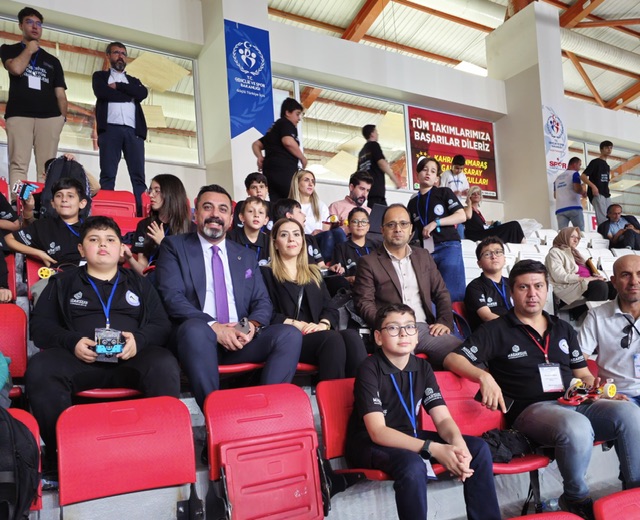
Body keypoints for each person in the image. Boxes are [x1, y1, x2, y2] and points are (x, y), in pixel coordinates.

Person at [444, 259, 640, 520]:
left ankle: (634, 494)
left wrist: (597, 389)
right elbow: (452, 358)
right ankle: (576, 498)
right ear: (511, 292)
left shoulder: (563, 328)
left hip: (574, 402)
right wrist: (483, 376)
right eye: (523, 287)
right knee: (576, 425)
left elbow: (581, 372)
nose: (532, 293)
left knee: (629, 412)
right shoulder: (496, 329)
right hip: (531, 410)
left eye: (538, 286)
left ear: (547, 289)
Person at [25, 216, 180, 483]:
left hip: (130, 358)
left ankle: (160, 449)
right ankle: (59, 454)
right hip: (80, 359)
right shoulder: (61, 283)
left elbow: (161, 325)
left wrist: (139, 340)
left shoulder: (139, 283)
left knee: (164, 363)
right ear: (81, 249)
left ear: (121, 249)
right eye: (94, 240)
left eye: (110, 240)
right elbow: (40, 327)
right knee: (41, 368)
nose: (103, 245)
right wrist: (72, 341)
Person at [346, 303, 500, 520]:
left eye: (410, 327)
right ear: (378, 337)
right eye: (393, 328)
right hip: (370, 443)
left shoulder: (423, 367)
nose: (403, 333)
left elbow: (443, 418)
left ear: (417, 336)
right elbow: (378, 432)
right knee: (412, 464)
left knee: (477, 449)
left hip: (410, 436)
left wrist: (458, 444)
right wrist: (432, 448)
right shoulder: (369, 368)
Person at [155, 184, 302, 410]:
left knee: (289, 335)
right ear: (195, 213)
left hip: (238, 335)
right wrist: (215, 327)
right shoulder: (174, 246)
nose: (215, 214)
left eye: (223, 209)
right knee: (195, 329)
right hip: (198, 339)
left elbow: (262, 302)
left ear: (231, 218)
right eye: (208, 207)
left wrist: (249, 326)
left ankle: (268, 411)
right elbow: (172, 298)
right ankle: (217, 415)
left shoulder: (245, 255)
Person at [353, 203, 461, 368]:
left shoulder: (423, 256)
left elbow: (441, 292)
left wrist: (444, 322)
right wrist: (387, 326)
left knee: (465, 354)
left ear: (411, 229)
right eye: (391, 225)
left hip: (425, 329)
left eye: (403, 224)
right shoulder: (368, 262)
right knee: (403, 367)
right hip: (393, 331)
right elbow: (364, 303)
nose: (398, 229)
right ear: (382, 230)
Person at [260, 218, 367, 380]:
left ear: (302, 241)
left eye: (296, 234)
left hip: (318, 332)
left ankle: (363, 393)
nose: (291, 239)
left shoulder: (313, 273)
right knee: (332, 339)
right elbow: (266, 313)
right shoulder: (265, 273)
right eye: (284, 235)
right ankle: (332, 395)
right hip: (289, 339)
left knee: (352, 337)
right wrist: (299, 325)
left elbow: (329, 306)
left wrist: (323, 324)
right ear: (275, 243)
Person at [1, 7, 67, 189]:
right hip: (19, 115)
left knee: (47, 168)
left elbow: (60, 94)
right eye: (29, 22)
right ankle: (18, 202)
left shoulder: (53, 61)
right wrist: (29, 50)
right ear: (20, 25)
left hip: (50, 118)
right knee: (18, 164)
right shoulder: (9, 49)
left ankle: (43, 203)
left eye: (39, 23)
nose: (35, 27)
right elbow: (16, 69)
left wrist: (62, 119)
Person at [92, 41, 148, 216]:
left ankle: (142, 215)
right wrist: (128, 96)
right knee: (108, 175)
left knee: (138, 176)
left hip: (134, 132)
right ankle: (105, 215)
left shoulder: (134, 81)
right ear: (108, 56)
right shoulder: (100, 76)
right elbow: (102, 92)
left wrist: (119, 86)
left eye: (123, 53)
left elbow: (142, 93)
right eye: (116, 52)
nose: (120, 56)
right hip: (110, 131)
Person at [579, 255, 640, 406]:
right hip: (618, 397)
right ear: (614, 281)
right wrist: (599, 391)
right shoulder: (597, 316)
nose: (634, 281)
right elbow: (577, 361)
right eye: (626, 275)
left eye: (639, 274)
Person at [407, 157, 466, 302]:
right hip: (425, 251)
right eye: (424, 169)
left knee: (452, 293)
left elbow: (461, 215)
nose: (428, 173)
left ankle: (454, 317)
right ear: (417, 174)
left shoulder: (444, 192)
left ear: (437, 179)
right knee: (430, 295)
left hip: (448, 246)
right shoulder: (413, 202)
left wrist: (436, 223)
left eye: (433, 171)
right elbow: (410, 229)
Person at [5, 177, 87, 267]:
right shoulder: (43, 226)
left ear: (82, 203)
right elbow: (9, 239)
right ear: (53, 203)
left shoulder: (91, 226)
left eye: (70, 196)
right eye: (59, 196)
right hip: (59, 274)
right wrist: (38, 253)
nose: (64, 199)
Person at [125, 174, 194, 277]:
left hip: (177, 281)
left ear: (171, 194)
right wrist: (129, 258)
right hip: (151, 281)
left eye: (157, 191)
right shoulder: (144, 225)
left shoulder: (191, 228)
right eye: (150, 190)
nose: (151, 195)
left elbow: (189, 269)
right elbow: (144, 272)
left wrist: (164, 243)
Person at [252, 97, 307, 203]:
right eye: (297, 114)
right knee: (291, 203)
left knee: (277, 205)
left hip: (269, 173)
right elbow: (288, 141)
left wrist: (260, 157)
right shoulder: (286, 123)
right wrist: (302, 157)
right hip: (284, 171)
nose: (299, 118)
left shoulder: (274, 129)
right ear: (287, 113)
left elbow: (256, 144)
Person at [546, 227, 615, 308]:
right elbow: (559, 277)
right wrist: (586, 279)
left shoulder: (576, 253)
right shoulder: (555, 252)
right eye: (572, 237)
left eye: (578, 238)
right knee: (600, 286)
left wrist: (596, 276)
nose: (576, 240)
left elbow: (589, 272)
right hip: (568, 287)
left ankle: (616, 315)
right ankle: (593, 314)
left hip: (584, 284)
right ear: (564, 236)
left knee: (615, 285)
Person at [289, 169, 347, 262]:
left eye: (313, 181)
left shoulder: (321, 205)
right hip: (303, 241)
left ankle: (344, 263)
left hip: (321, 240)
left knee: (338, 232)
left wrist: (331, 227)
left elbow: (326, 230)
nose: (311, 184)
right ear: (297, 183)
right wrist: (309, 235)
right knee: (327, 235)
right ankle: (323, 264)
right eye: (306, 180)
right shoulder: (290, 206)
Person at [464, 237, 512, 331]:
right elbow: (486, 316)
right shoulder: (475, 287)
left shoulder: (512, 283)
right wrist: (515, 326)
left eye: (498, 252)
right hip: (490, 333)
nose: (494, 256)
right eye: (487, 254)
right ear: (479, 263)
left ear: (504, 259)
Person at [358, 124, 404, 207]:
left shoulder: (361, 153)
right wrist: (395, 180)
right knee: (382, 214)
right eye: (376, 132)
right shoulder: (374, 145)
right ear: (372, 134)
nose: (377, 134)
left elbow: (360, 173)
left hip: (369, 193)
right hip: (377, 193)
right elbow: (381, 163)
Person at [334, 207, 377, 283]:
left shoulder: (377, 246)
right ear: (349, 227)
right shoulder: (341, 248)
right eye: (355, 221)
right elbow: (338, 277)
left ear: (368, 227)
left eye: (364, 221)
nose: (360, 225)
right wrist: (350, 279)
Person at [227, 196, 271, 266]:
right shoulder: (230, 238)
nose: (256, 215)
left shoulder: (269, 242)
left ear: (266, 220)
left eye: (260, 212)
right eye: (251, 211)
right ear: (242, 217)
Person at [582, 140, 613, 226]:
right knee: (602, 218)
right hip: (598, 193)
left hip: (606, 194)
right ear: (601, 149)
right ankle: (604, 232)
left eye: (610, 148)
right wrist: (593, 186)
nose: (609, 150)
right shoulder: (595, 162)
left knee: (611, 215)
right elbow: (583, 176)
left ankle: (611, 232)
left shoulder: (607, 166)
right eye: (607, 148)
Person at [554, 157, 585, 231]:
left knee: (563, 234)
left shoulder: (557, 178)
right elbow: (577, 188)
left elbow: (555, 195)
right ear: (574, 164)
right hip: (574, 207)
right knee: (579, 232)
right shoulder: (574, 174)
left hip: (560, 209)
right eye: (579, 165)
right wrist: (583, 192)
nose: (579, 168)